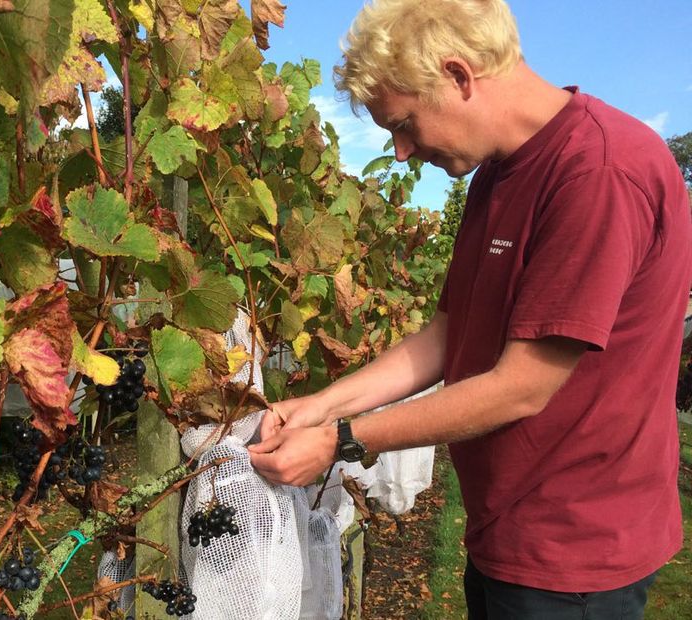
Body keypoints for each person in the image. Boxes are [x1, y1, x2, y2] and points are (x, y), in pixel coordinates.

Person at [247, 0, 691, 618]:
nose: (401, 152)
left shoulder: (601, 170)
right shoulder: (496, 175)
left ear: (458, 77)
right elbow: (446, 336)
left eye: (403, 123)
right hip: (507, 523)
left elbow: (522, 387)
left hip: (575, 549)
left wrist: (340, 440)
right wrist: (320, 406)